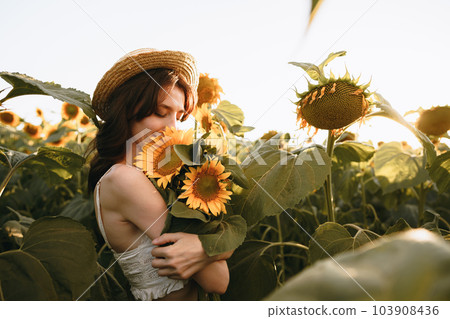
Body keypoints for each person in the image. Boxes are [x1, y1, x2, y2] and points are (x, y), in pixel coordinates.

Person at [87, 48, 232, 300]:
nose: (172, 129)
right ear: (128, 110)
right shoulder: (124, 179)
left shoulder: (145, 176)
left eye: (178, 116)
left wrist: (206, 247)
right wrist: (221, 247)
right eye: (159, 113)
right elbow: (218, 280)